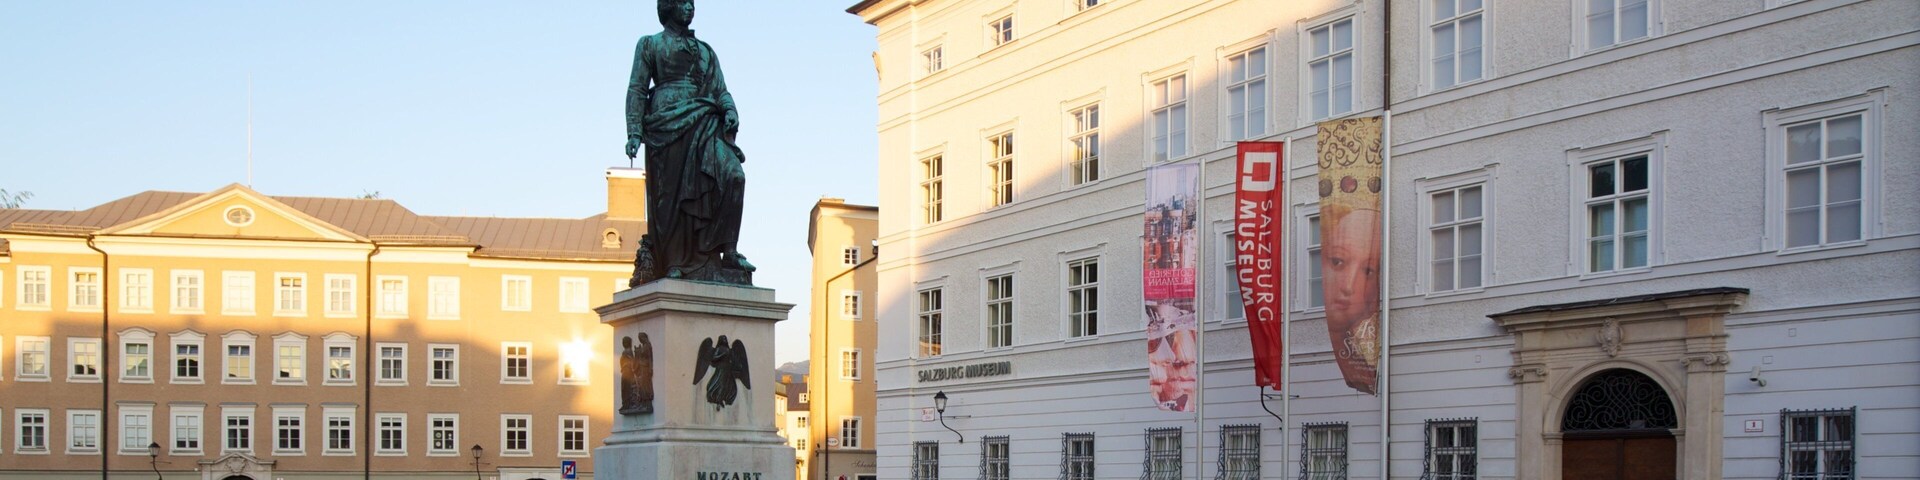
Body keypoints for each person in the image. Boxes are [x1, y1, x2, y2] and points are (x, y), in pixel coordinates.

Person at [625, 0, 753, 284]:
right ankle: (675, 261)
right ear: (668, 7)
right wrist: (634, 130)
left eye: (692, 3)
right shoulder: (650, 44)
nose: (690, 8)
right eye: (683, 2)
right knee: (671, 196)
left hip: (706, 120)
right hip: (666, 124)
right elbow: (637, 88)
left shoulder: (705, 50)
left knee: (733, 176)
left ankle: (728, 250)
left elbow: (720, 89)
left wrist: (730, 109)